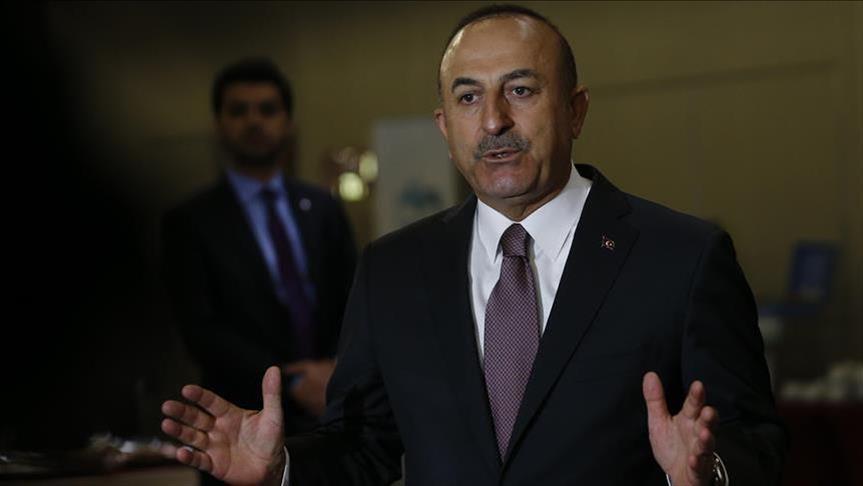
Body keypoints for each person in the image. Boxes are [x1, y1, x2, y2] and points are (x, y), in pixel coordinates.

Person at [161, 6, 786, 485]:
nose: (493, 121)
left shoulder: (683, 257)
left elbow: (755, 440)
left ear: (575, 111)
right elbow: (364, 444)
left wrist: (707, 473)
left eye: (521, 90)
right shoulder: (392, 269)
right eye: (468, 98)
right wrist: (282, 466)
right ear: (444, 125)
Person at [160, 58, 357, 483]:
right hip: (236, 425)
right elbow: (200, 329)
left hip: (331, 416)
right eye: (238, 110)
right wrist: (290, 381)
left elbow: (355, 298)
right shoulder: (189, 222)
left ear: (288, 122)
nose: (254, 121)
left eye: (267, 109)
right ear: (218, 124)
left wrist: (335, 368)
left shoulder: (322, 208)